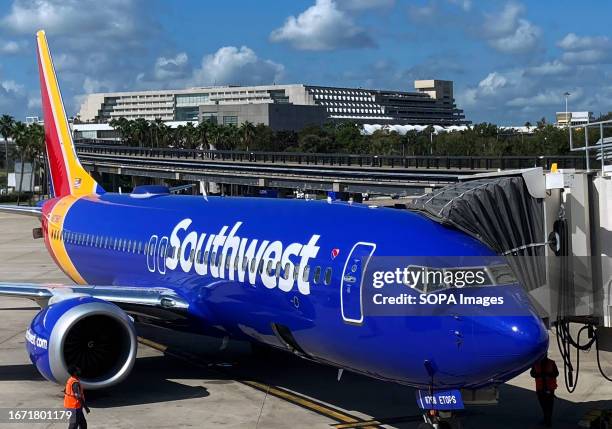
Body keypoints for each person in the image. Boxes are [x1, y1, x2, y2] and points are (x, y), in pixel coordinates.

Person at [530, 355, 559, 427]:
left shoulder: (551, 363)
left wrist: (548, 375)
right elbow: (532, 373)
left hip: (549, 388)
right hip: (540, 388)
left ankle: (548, 421)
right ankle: (546, 418)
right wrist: (539, 375)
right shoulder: (536, 364)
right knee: (544, 405)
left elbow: (556, 373)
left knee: (548, 405)